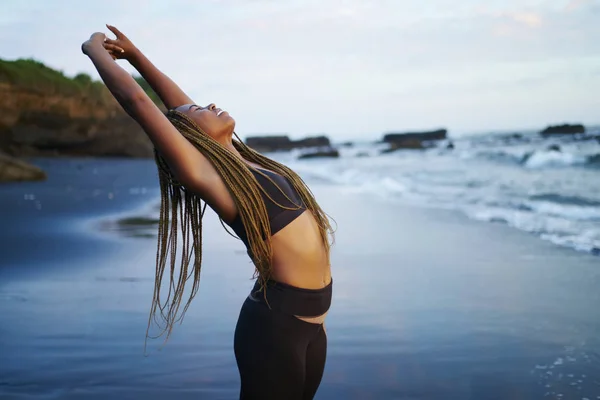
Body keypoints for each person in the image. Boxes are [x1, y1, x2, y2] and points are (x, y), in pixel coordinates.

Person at [82, 25, 335, 400]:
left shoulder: (243, 161)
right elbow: (137, 101)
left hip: (313, 326)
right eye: (201, 109)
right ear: (192, 139)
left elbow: (178, 108)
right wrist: (94, 50)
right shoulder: (207, 176)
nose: (209, 104)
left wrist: (136, 56)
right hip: (275, 329)